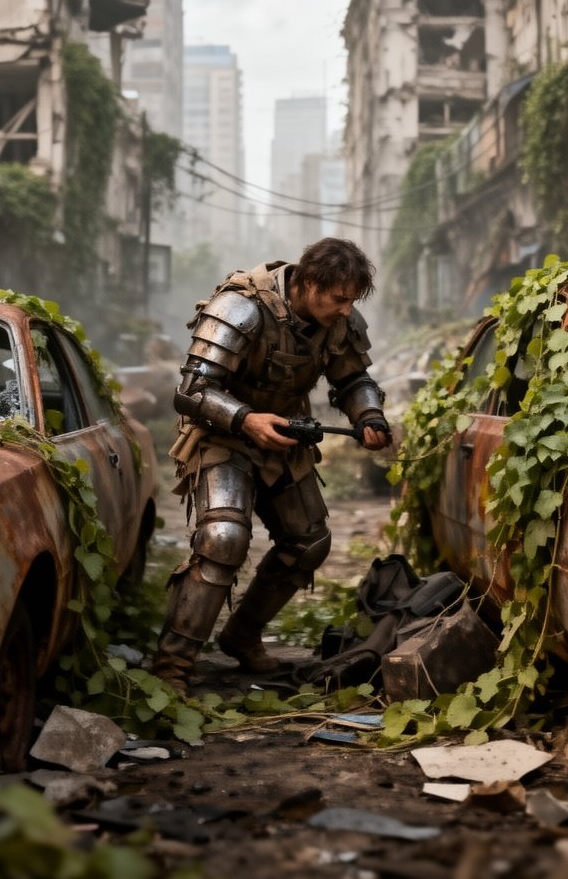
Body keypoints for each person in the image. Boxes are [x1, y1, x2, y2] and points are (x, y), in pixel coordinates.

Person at [151, 237, 392, 694]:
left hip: (284, 438)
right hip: (222, 437)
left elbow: (354, 377)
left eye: (351, 301)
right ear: (306, 283)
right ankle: (173, 665)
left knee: (309, 541)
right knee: (224, 537)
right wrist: (245, 418)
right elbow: (192, 391)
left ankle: (242, 634)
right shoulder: (241, 306)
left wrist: (369, 416)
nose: (346, 310)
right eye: (339, 299)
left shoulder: (338, 321)